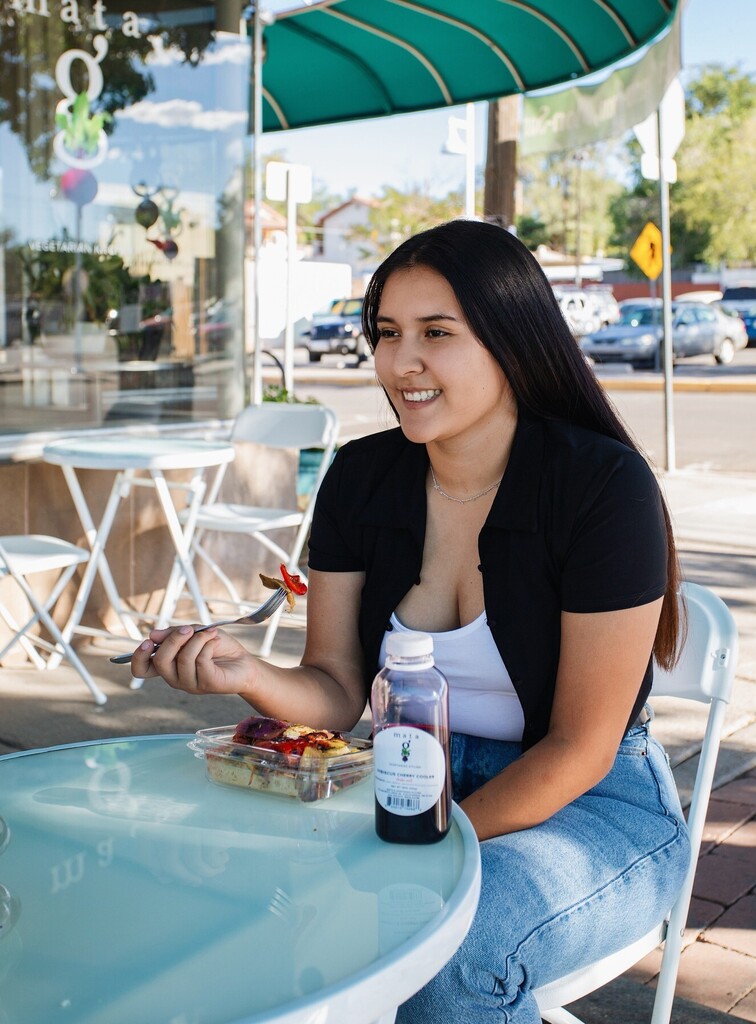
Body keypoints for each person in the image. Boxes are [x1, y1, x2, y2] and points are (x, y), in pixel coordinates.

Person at [132, 219, 690, 1024]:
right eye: (387, 334)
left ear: (511, 338)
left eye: (437, 333)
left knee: (446, 945)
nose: (402, 363)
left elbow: (581, 748)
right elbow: (335, 689)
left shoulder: (600, 486)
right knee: (219, 894)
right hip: (401, 781)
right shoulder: (362, 476)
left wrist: (425, 839)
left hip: (590, 809)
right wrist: (244, 673)